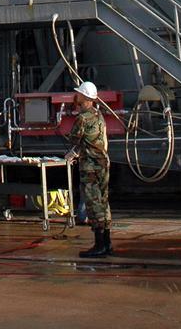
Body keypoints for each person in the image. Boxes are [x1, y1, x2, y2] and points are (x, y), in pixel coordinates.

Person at [67, 80, 113, 257]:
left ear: (85, 97)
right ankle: (107, 243)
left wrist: (72, 152)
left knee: (93, 204)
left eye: (79, 94)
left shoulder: (82, 118)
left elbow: (74, 139)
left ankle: (99, 245)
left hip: (90, 166)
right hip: (103, 162)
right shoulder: (99, 115)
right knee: (103, 201)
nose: (76, 96)